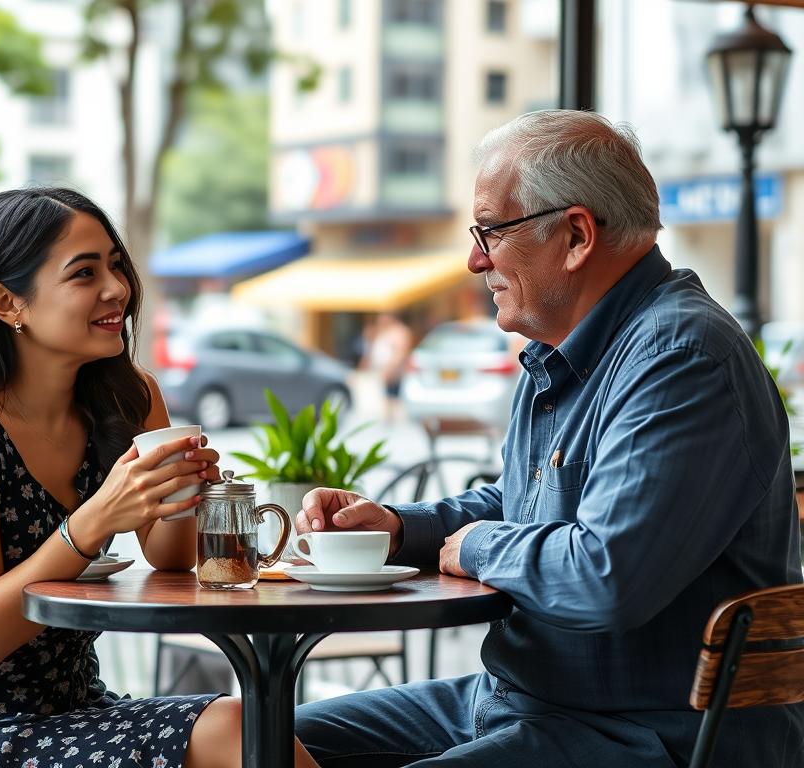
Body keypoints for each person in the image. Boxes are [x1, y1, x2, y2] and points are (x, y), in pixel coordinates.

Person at [294, 111, 804, 768]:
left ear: (575, 236)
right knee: (258, 736)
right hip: (521, 702)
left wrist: (474, 546)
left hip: (648, 735)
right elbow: (522, 502)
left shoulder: (684, 359)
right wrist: (395, 529)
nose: (474, 259)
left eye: (490, 232)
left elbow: (604, 575)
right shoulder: (563, 352)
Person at [0, 188, 321, 768]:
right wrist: (97, 517)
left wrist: (180, 491)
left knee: (253, 727)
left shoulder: (128, 394)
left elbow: (172, 559)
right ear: (7, 303)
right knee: (238, 729)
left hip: (73, 707)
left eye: (116, 264)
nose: (118, 288)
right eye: (84, 272)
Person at [363, 312, 413, 421]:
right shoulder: (386, 331)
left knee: (393, 397)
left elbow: (400, 353)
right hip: (386, 369)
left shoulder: (398, 332)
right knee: (388, 396)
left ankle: (392, 418)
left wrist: (390, 369)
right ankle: (389, 418)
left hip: (394, 371)